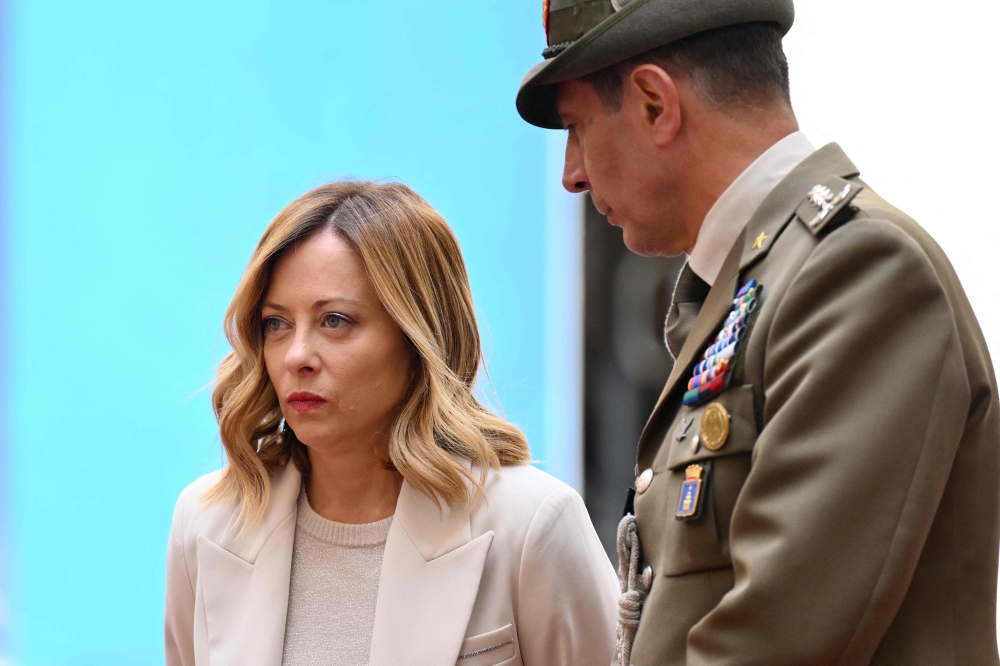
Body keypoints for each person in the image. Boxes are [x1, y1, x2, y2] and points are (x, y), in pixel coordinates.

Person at [516, 1, 1000, 665]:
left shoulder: (856, 271)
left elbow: (773, 642)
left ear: (655, 104)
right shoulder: (764, 281)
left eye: (577, 127)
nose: (571, 173)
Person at [164, 181, 619, 666]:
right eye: (276, 323)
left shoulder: (531, 523)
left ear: (418, 337)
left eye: (335, 320)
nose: (296, 356)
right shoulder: (206, 523)